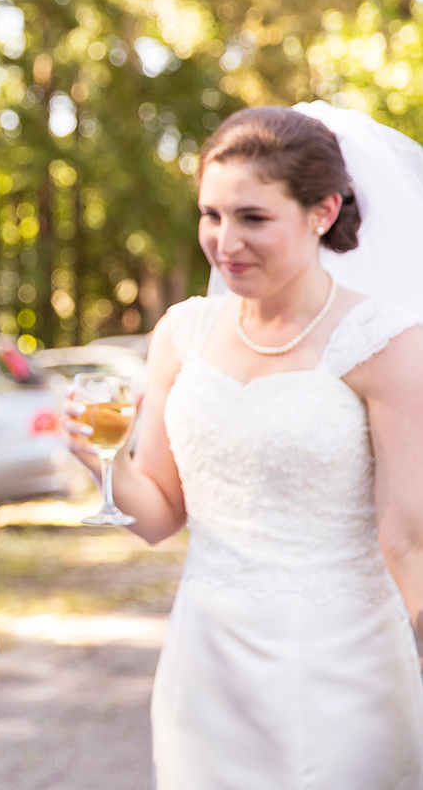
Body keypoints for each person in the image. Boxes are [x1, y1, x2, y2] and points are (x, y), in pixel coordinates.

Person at [65, 105, 423, 789]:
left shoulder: (386, 343)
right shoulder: (182, 335)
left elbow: (410, 539)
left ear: (323, 212)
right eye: (212, 215)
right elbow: (160, 514)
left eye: (253, 218)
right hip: (206, 674)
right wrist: (99, 462)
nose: (225, 242)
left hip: (344, 675)